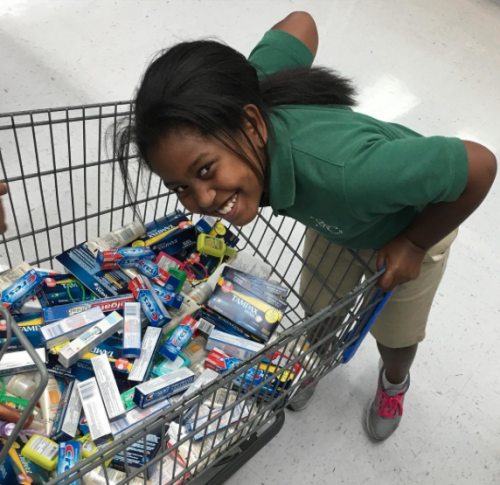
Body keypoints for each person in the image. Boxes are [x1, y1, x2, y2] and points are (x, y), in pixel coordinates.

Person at [116, 12, 497, 441]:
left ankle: (394, 382)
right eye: (181, 186)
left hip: (418, 223)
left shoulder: (353, 173)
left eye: (206, 169)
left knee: (396, 333)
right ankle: (315, 361)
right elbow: (300, 23)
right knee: (317, 307)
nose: (203, 200)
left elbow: (480, 166)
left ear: (253, 125)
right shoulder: (248, 96)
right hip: (336, 220)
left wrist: (412, 242)